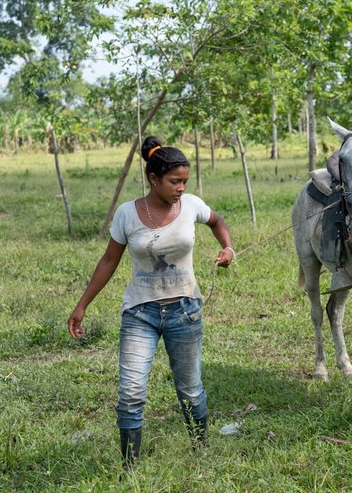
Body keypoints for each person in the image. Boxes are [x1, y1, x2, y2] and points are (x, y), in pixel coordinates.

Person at [67, 135, 234, 470]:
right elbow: (108, 260)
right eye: (175, 181)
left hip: (184, 312)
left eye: (185, 181)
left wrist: (227, 248)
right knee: (130, 393)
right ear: (153, 179)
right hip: (139, 314)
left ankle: (199, 451)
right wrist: (82, 304)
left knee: (189, 390)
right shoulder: (128, 214)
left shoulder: (191, 206)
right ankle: (129, 468)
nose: (181, 188)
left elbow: (217, 221)